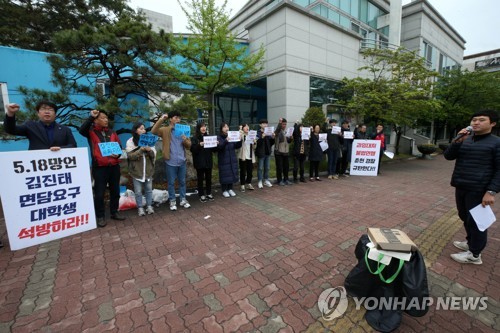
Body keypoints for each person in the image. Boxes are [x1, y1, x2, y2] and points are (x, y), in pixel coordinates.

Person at [444, 110, 500, 265]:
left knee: (477, 222)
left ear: (492, 123)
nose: (476, 123)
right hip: (461, 185)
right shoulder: (466, 139)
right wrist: (457, 141)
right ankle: (470, 243)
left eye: (481, 120)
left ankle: (475, 255)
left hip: (479, 189)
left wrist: (491, 191)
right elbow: (448, 156)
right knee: (465, 217)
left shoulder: (496, 143)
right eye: (474, 120)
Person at [79, 109, 125, 227]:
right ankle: (100, 216)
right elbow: (81, 130)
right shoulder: (90, 131)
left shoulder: (112, 132)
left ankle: (114, 212)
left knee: (115, 191)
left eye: (106, 118)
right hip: (99, 167)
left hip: (114, 166)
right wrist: (90, 117)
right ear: (96, 120)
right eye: (103, 118)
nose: (106, 120)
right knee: (99, 193)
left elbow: (119, 146)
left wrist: (118, 154)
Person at [151, 111, 192, 211]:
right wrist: (161, 119)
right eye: (176, 117)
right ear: (170, 119)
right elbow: (154, 131)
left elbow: (189, 145)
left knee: (182, 182)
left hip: (182, 160)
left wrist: (185, 139)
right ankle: (172, 200)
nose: (178, 119)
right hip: (170, 161)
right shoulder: (165, 130)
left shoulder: (183, 130)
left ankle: (183, 199)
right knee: (171, 183)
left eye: (179, 118)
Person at [4, 101, 77, 150]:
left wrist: (60, 148)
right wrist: (10, 113)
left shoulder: (65, 129)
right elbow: (11, 130)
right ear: (38, 113)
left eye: (50, 110)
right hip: (37, 167)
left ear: (55, 114)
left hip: (59, 164)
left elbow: (73, 146)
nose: (47, 112)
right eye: (43, 109)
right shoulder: (30, 126)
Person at [126, 122, 156, 217]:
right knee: (138, 191)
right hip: (137, 171)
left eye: (144, 129)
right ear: (136, 130)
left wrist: (149, 150)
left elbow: (153, 155)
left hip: (148, 170)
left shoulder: (149, 140)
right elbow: (130, 156)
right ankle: (140, 207)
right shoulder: (130, 141)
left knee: (148, 189)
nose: (143, 130)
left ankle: (149, 206)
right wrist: (141, 150)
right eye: (141, 128)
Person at [190, 121, 216, 203]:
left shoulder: (208, 137)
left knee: (208, 178)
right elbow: (192, 150)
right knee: (200, 179)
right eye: (202, 126)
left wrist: (216, 144)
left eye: (205, 126)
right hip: (199, 162)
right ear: (198, 128)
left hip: (208, 161)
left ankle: (208, 193)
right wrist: (199, 145)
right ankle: (201, 194)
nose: (204, 128)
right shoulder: (194, 138)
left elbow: (213, 150)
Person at [217, 122, 242, 197]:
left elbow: (237, 146)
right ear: (221, 129)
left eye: (227, 127)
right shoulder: (219, 137)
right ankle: (224, 190)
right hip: (223, 159)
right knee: (225, 174)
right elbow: (219, 147)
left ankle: (230, 188)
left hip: (232, 158)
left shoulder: (231, 136)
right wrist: (226, 141)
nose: (226, 128)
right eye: (224, 127)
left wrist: (240, 140)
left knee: (231, 173)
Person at [255, 119, 275, 189]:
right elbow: (257, 143)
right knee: (260, 168)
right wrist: (262, 137)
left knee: (267, 167)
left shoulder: (268, 132)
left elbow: (271, 143)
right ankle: (260, 181)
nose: (265, 125)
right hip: (261, 153)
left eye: (266, 123)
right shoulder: (258, 133)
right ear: (260, 125)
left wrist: (273, 137)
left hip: (267, 152)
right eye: (263, 123)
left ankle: (266, 180)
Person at [237, 123, 256, 192]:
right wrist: (240, 130)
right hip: (243, 156)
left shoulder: (251, 135)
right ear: (243, 128)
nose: (247, 127)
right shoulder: (241, 135)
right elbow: (239, 141)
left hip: (250, 156)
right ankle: (242, 185)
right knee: (243, 171)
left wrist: (254, 142)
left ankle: (249, 183)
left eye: (248, 126)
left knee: (250, 171)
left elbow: (254, 147)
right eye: (245, 126)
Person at [274, 118, 293, 186]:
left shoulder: (286, 132)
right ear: (280, 124)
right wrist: (279, 123)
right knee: (279, 167)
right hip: (278, 152)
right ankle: (279, 180)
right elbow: (277, 131)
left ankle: (286, 179)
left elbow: (288, 141)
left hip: (286, 152)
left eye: (285, 124)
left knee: (286, 167)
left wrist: (291, 138)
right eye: (283, 124)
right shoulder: (277, 131)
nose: (284, 125)